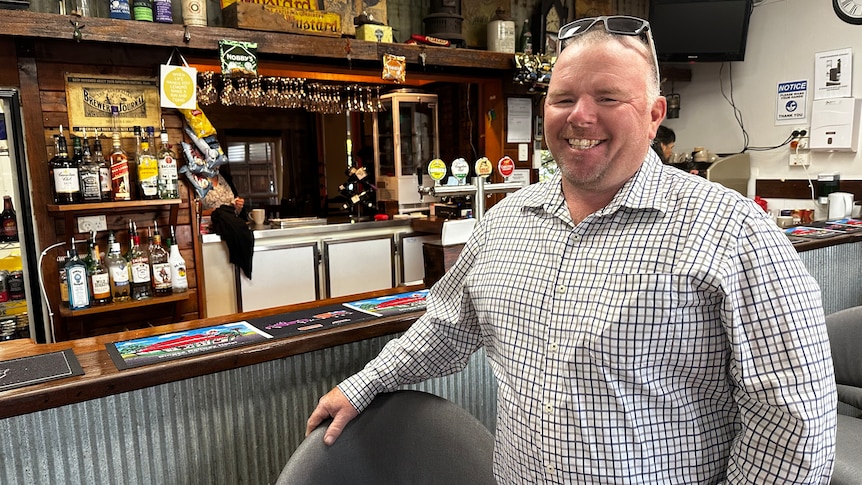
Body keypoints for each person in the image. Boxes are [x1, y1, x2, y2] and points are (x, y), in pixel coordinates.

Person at [306, 16, 836, 483]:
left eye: (607, 98)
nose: (579, 116)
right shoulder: (506, 221)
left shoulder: (733, 231)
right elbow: (449, 324)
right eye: (563, 99)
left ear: (655, 114)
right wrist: (363, 385)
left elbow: (792, 421)